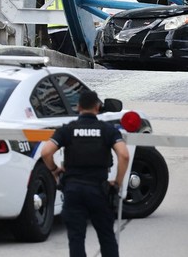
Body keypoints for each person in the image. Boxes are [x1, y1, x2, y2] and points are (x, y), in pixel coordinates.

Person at [41, 90, 130, 257]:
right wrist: (117, 183)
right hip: (98, 190)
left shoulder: (67, 130)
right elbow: (124, 155)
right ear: (97, 107)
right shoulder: (107, 130)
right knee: (106, 237)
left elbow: (46, 152)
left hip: (73, 190)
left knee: (76, 238)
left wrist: (54, 170)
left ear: (78, 107)